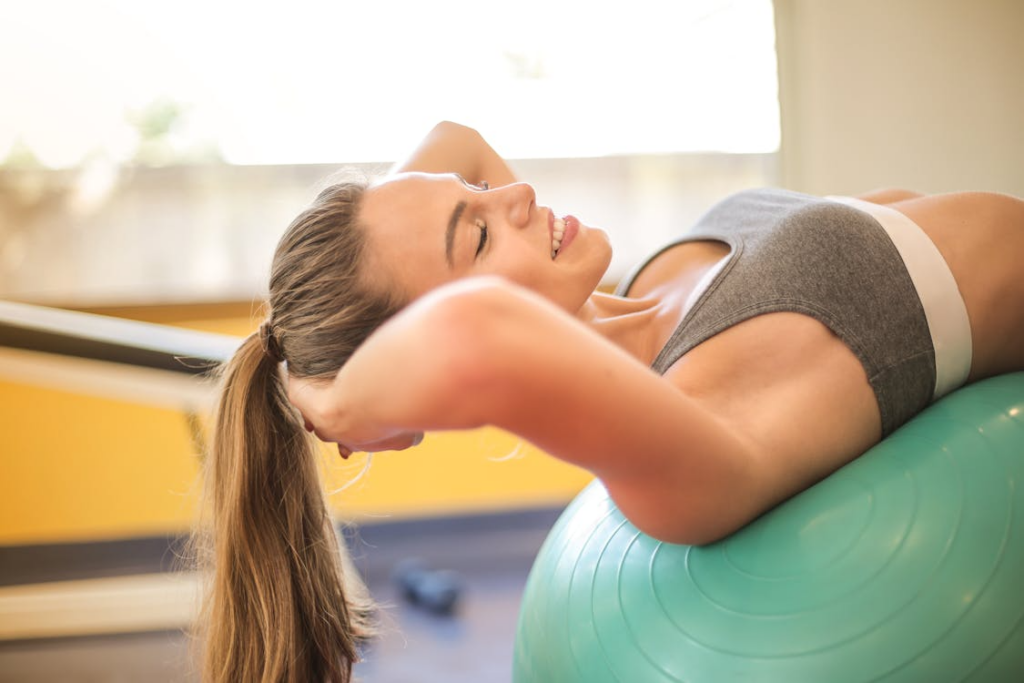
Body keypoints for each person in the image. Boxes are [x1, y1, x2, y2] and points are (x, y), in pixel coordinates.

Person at [197, 121, 1024, 681]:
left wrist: (388, 240)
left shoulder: (637, 286)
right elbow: (475, 334)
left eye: (474, 194)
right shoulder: (697, 417)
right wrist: (334, 393)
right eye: (478, 233)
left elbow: (456, 141)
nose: (512, 197)